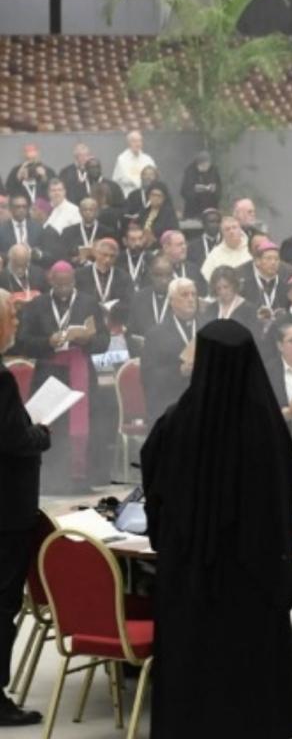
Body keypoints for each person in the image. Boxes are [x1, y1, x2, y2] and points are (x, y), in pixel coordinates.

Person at [140, 320, 292, 738]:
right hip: (253, 574)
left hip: (191, 577)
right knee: (250, 678)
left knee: (193, 671)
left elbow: (154, 490)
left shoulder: (176, 423)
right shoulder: (268, 429)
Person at [0, 289, 49, 728]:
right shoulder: (1, 379)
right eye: (12, 316)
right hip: (6, 510)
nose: (17, 323)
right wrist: (42, 433)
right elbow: (14, 440)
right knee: (2, 604)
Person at [16, 261, 109, 492]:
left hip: (81, 370)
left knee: (84, 424)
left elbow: (104, 341)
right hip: (49, 373)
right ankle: (51, 479)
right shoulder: (37, 305)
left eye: (68, 284)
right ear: (51, 282)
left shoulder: (88, 303)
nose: (64, 289)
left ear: (74, 281)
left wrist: (88, 340)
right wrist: (47, 341)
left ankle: (81, 479)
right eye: (60, 285)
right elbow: (23, 342)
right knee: (51, 425)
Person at [141, 277, 200, 419]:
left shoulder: (208, 327)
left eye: (193, 294)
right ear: (171, 301)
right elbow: (149, 376)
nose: (191, 299)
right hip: (171, 404)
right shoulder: (156, 335)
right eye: (185, 295)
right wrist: (179, 371)